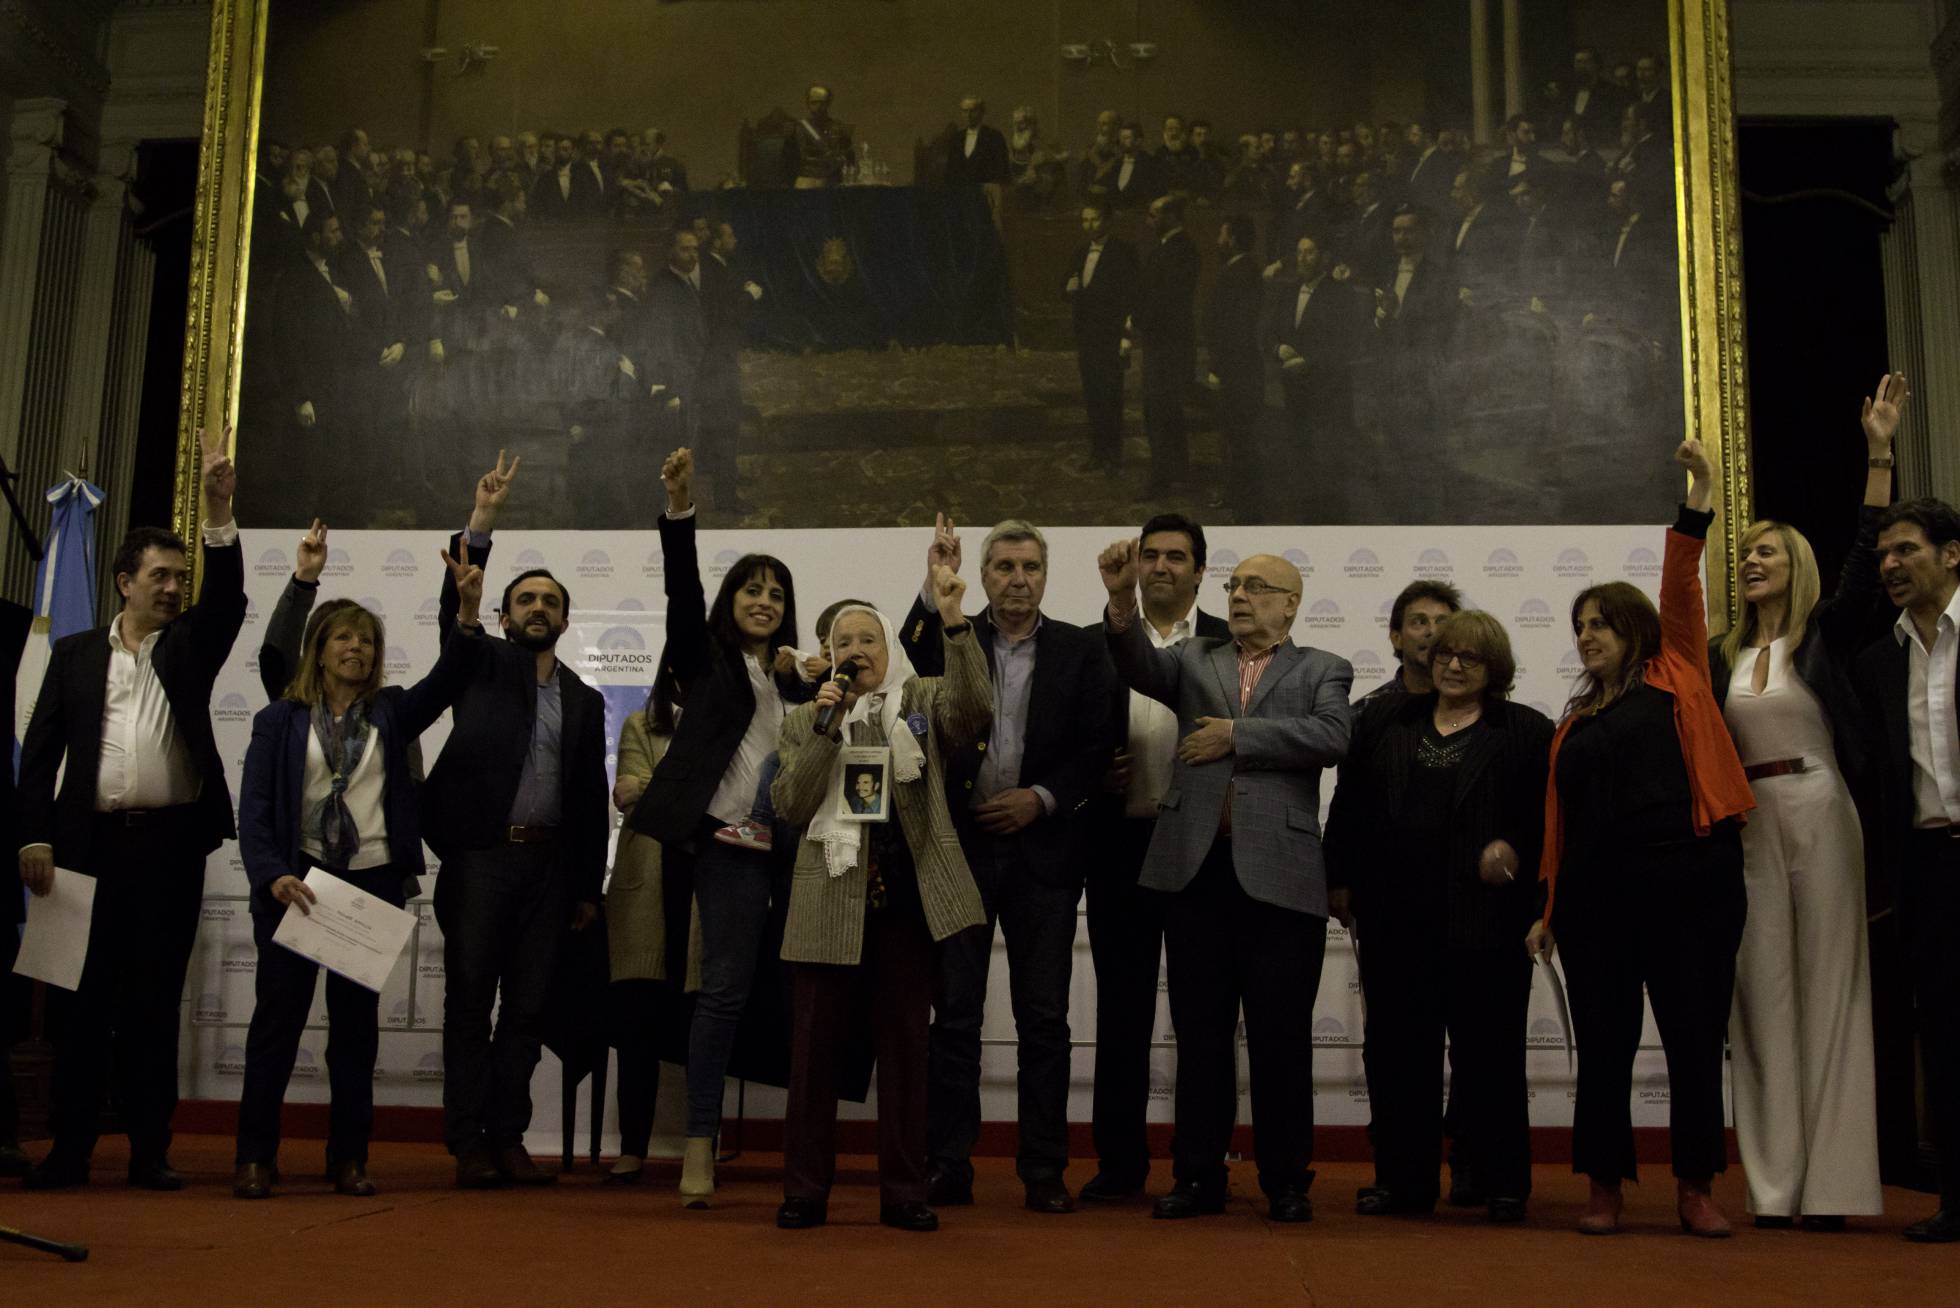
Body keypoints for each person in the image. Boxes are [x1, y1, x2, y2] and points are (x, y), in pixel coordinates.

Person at [1530, 438, 1755, 1237]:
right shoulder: (1576, 717)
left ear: (1634, 629)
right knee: (1605, 1048)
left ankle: (1695, 1188)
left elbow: (1681, 583)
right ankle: (1604, 1190)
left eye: (1600, 624)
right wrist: (1549, 905)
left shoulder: (1678, 669)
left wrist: (1700, 492)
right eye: (1579, 625)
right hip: (1597, 902)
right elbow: (1563, 823)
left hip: (1693, 884)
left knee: (1695, 1039)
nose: (1587, 635)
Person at [1096, 540, 1353, 1222]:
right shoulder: (1193, 658)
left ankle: (1286, 1181)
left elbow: (1332, 736)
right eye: (1235, 585)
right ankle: (1197, 1176)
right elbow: (1136, 664)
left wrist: (1237, 736)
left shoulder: (1326, 668)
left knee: (1280, 1039)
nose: (1239, 596)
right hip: (1196, 875)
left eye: (1258, 587)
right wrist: (1122, 603)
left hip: (1283, 881)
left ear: (1291, 604)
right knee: (1199, 1036)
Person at [18, 432, 243, 1191]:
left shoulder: (187, 647)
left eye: (180, 577)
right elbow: (39, 753)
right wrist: (33, 835)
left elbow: (230, 602)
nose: (174, 588)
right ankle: (71, 1151)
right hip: (84, 851)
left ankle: (151, 1151)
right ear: (123, 582)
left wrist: (219, 511)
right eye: (160, 576)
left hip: (167, 853)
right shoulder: (73, 655)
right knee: (82, 1010)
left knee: (152, 1008)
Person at [232, 541, 488, 1199]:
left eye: (367, 641)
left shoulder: (392, 712)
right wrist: (270, 875)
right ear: (318, 649)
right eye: (343, 638)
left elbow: (451, 677)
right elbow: (255, 810)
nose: (357, 649)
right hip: (295, 887)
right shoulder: (278, 720)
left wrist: (466, 610)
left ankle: (348, 1159)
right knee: (274, 1029)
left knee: (354, 1036)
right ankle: (255, 1158)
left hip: (368, 882)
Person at [1712, 375, 1901, 1229]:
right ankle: (1774, 1184)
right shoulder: (1723, 655)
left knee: (1831, 987)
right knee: (1761, 995)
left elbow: (1866, 561)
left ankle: (1832, 1187)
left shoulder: (1824, 635)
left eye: (1768, 551)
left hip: (1822, 810)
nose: (1752, 560)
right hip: (1748, 822)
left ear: (1797, 568)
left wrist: (1878, 455)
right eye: (1745, 551)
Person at [900, 516, 1116, 1215]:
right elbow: (909, 645)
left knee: (1044, 1019)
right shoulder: (951, 634)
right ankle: (948, 1164)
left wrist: (1042, 799)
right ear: (983, 576)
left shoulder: (1082, 650)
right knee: (955, 1015)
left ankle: (1045, 1169)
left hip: (1043, 854)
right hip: (959, 851)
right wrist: (936, 586)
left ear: (1044, 576)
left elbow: (1097, 748)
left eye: (1030, 567)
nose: (1018, 579)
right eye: (1004, 568)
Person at [772, 586, 990, 1232]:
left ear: (888, 648)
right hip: (828, 900)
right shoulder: (803, 719)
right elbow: (790, 803)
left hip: (904, 906)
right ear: (826, 656)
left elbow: (975, 711)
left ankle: (903, 1190)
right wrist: (826, 726)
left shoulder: (920, 700)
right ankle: (805, 1190)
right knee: (812, 1059)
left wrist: (953, 622)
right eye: (844, 643)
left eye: (868, 640)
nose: (857, 651)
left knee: (905, 1055)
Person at [626, 447, 810, 1206]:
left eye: (775, 593)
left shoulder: (797, 677)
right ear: (730, 601)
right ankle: (699, 1142)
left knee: (802, 999)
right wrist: (680, 511)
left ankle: (810, 1151)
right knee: (724, 995)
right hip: (732, 850)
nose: (763, 601)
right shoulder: (709, 660)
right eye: (751, 590)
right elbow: (681, 592)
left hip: (798, 855)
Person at [1325, 611, 1551, 1222]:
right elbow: (1349, 807)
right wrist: (1339, 877)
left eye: (1469, 659)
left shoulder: (1527, 731)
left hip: (1489, 927)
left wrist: (1518, 859)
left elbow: (1547, 825)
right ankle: (1404, 1183)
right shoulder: (1385, 722)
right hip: (1397, 923)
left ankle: (1503, 1184)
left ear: (1494, 668)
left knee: (1491, 1060)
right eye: (1445, 654)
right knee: (1399, 1057)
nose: (1452, 665)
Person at [422, 452, 608, 1188]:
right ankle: (466, 1141)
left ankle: (508, 1137)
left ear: (565, 619)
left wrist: (586, 888)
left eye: (549, 602)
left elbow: (590, 798)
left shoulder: (587, 701)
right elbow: (454, 617)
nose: (537, 609)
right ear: (504, 616)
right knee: (470, 1002)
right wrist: (481, 524)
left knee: (528, 1011)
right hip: (480, 862)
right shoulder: (480, 663)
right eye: (524, 601)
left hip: (550, 870)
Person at [1081, 514, 1228, 1204]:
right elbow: (1066, 735)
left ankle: (1200, 1164)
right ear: (1135, 567)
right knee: (1123, 1011)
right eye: (1151, 555)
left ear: (1201, 571)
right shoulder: (1093, 644)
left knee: (1203, 1017)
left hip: (1205, 850)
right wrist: (1091, 777)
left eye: (1177, 556)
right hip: (1121, 844)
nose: (1162, 566)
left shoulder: (1234, 645)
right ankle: (1120, 1163)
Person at [1853, 493, 1960, 1243]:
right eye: (1884, 554)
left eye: (1907, 551)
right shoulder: (1877, 659)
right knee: (1947, 1035)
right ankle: (1958, 1199)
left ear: (1951, 554)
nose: (1891, 564)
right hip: (1928, 867)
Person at [604, 656, 698, 1185]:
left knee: (698, 1023)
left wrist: (657, 784)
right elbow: (631, 795)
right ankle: (632, 1148)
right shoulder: (641, 723)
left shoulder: (734, 729)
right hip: (646, 885)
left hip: (704, 887)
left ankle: (699, 1145)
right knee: (637, 1022)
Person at [1130, 194, 1200, 494]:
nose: (1149, 220)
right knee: (1162, 408)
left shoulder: (1181, 250)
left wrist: (1139, 322)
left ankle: (1163, 476)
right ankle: (1176, 471)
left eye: (1155, 214)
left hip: (1169, 343)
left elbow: (1166, 299)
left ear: (1172, 216)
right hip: (1160, 340)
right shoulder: (1166, 248)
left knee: (1161, 409)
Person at [1063, 200, 1138, 476]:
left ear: (1107, 220)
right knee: (1093, 396)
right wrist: (1068, 288)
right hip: (1087, 336)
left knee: (1111, 396)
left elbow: (1132, 295)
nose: (1089, 226)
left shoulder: (1123, 252)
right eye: (1084, 220)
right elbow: (1065, 286)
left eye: (1094, 220)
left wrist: (1126, 336)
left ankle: (1112, 456)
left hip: (1111, 336)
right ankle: (1096, 452)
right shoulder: (1081, 251)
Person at [697, 221, 764, 514]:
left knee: (721, 424)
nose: (734, 239)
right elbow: (725, 314)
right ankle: (726, 498)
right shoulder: (712, 270)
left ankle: (727, 478)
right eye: (729, 235)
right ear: (716, 242)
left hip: (717, 356)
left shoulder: (716, 267)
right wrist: (749, 296)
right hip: (716, 360)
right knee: (725, 424)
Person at [1370, 581, 1464, 702]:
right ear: (1397, 638)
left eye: (1442, 622)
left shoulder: (1478, 709)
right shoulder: (1366, 713)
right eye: (1419, 622)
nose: (1433, 631)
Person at [787, 85, 853, 188]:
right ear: (808, 104)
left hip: (832, 181)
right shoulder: (798, 128)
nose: (818, 106)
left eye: (822, 102)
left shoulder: (838, 127)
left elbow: (848, 155)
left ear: (828, 103)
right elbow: (792, 159)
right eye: (814, 102)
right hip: (807, 181)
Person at [944, 95, 1009, 186]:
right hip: (959, 193)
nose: (968, 115)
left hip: (985, 194)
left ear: (982, 112)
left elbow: (1002, 170)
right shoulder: (956, 138)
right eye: (965, 111)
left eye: (973, 111)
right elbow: (950, 171)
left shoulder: (994, 137)